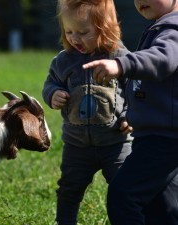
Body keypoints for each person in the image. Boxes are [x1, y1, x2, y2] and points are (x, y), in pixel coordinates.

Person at [82, 0, 178, 224]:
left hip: (164, 139)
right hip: (159, 135)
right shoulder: (161, 26)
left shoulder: (173, 29)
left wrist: (122, 65)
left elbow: (161, 59)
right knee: (161, 206)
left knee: (123, 196)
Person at [42, 0, 133, 224]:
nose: (74, 38)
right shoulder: (64, 60)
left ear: (105, 28)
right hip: (77, 145)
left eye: (83, 32)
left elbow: (137, 89)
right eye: (69, 31)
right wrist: (53, 94)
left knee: (126, 189)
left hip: (116, 142)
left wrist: (130, 116)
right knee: (69, 189)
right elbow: (50, 83)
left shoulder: (119, 58)